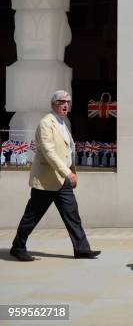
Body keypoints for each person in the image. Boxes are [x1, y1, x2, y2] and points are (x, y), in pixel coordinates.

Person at [10, 90, 101, 261]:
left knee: (72, 215)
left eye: (68, 101)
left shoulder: (62, 122)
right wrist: (67, 172)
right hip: (46, 180)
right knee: (32, 216)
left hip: (62, 180)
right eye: (61, 101)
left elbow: (66, 150)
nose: (66, 104)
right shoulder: (46, 123)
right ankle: (18, 247)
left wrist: (71, 171)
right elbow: (49, 152)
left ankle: (81, 249)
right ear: (53, 104)